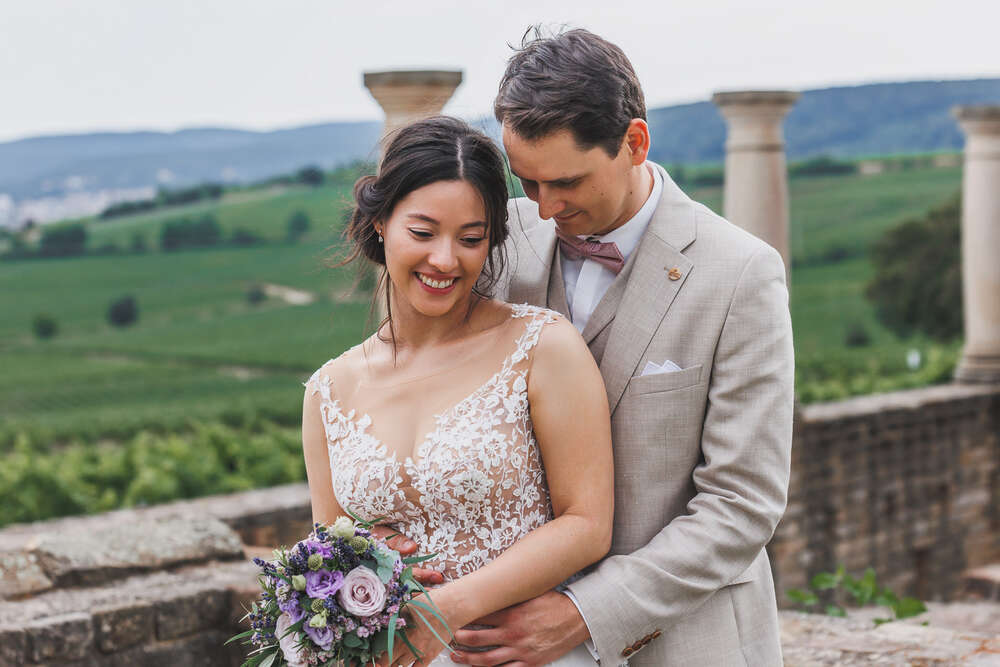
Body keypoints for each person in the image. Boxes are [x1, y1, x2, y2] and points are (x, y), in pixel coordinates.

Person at [438, 28, 794, 667]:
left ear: (634, 142)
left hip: (689, 644)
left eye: (566, 182)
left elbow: (741, 507)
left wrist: (584, 614)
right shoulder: (501, 239)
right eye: (527, 182)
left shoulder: (741, 273)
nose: (544, 209)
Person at [301, 116, 614, 667]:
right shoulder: (329, 389)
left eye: (471, 239)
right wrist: (364, 559)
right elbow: (332, 554)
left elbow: (587, 526)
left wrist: (444, 609)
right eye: (422, 233)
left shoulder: (542, 347)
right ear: (379, 223)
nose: (446, 260)